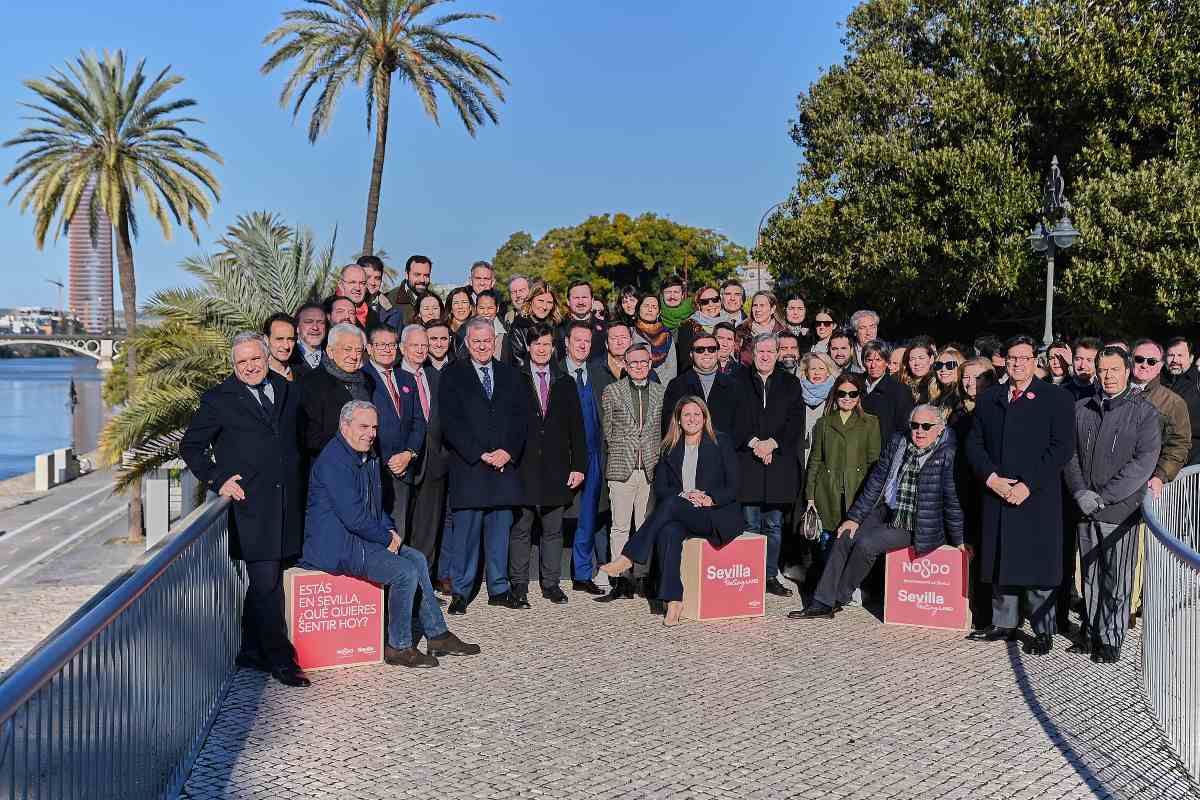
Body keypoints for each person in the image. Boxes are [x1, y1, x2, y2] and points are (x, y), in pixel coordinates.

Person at [301, 401, 479, 668]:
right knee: (403, 572)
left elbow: (376, 506)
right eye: (363, 426)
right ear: (344, 426)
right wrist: (386, 539)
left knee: (417, 559)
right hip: (338, 546)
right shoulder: (333, 461)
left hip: (361, 538)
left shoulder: (368, 454)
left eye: (374, 427)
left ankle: (437, 634)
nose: (370, 433)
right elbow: (353, 516)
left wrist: (389, 531)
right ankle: (399, 646)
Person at [180, 333, 309, 687]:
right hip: (250, 507)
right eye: (242, 362)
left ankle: (251, 649)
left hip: (287, 504)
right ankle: (281, 660)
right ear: (233, 365)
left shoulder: (286, 389)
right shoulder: (219, 399)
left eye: (255, 359)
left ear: (266, 357)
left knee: (267, 580)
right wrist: (217, 479)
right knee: (266, 583)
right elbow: (191, 446)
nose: (250, 367)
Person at [790, 404, 964, 619]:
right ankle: (821, 602)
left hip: (914, 522)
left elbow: (952, 499)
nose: (919, 431)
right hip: (886, 509)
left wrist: (959, 539)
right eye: (915, 425)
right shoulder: (899, 442)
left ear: (940, 428)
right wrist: (854, 518)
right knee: (845, 534)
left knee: (867, 545)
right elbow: (876, 482)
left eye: (926, 427)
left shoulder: (947, 453)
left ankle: (837, 598)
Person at [965, 334, 1075, 655]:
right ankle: (1004, 623)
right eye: (1012, 358)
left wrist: (1027, 485)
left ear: (1034, 361)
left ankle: (1042, 630)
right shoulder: (990, 398)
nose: (1018, 363)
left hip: (1036, 494)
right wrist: (991, 478)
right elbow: (974, 444)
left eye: (1024, 358)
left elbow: (1061, 448)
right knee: (1002, 561)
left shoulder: (1055, 398)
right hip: (998, 490)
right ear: (1005, 360)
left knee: (1038, 567)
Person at [599, 396, 743, 626]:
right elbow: (662, 488)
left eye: (697, 414)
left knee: (672, 505)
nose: (692, 419)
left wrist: (709, 498)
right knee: (669, 531)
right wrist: (684, 495)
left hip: (714, 514)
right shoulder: (669, 447)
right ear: (678, 419)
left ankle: (629, 556)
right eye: (686, 415)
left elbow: (734, 485)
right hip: (682, 512)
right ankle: (674, 600)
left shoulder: (720, 442)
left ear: (704, 417)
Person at [1063, 346, 1160, 663]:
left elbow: (1142, 464)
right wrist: (1079, 492)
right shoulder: (1081, 409)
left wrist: (1103, 497)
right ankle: (1090, 631)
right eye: (1102, 369)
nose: (1107, 376)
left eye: (1114, 369)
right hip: (1085, 507)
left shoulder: (1143, 413)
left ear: (1128, 370)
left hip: (1119, 510)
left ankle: (1111, 637)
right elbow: (1070, 456)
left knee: (1116, 578)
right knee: (1088, 574)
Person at [438, 317, 527, 614]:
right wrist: (479, 453)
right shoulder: (453, 375)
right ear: (466, 343)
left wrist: (508, 452)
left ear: (495, 341)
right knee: (466, 534)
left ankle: (499, 588)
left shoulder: (510, 374)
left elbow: (520, 419)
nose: (482, 346)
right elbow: (451, 423)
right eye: (476, 341)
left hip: (503, 467)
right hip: (470, 467)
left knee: (500, 530)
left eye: (487, 341)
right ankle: (461, 591)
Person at [509, 324, 587, 607]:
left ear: (554, 348)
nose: (541, 349)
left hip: (556, 469)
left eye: (546, 344)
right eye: (536, 344)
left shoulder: (565, 382)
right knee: (521, 528)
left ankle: (551, 583)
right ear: (528, 347)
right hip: (524, 467)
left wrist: (578, 465)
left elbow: (577, 429)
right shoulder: (515, 379)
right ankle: (518, 585)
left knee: (553, 530)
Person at [733, 333, 804, 597]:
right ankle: (750, 573)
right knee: (750, 523)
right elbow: (732, 419)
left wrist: (772, 444)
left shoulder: (790, 383)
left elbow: (795, 421)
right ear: (752, 353)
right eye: (760, 351)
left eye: (769, 352)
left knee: (773, 524)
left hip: (777, 463)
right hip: (748, 462)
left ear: (777, 354)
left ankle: (769, 574)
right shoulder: (737, 380)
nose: (764, 356)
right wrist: (755, 444)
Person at [600, 344, 666, 601]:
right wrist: (622, 449)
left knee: (645, 526)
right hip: (622, 467)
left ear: (650, 364)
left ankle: (643, 577)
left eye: (643, 362)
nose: (638, 366)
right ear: (625, 365)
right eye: (633, 363)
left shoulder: (661, 393)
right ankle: (621, 580)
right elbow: (608, 430)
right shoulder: (612, 391)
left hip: (650, 467)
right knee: (619, 527)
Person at [805, 373, 882, 553]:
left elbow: (875, 463)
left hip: (857, 492)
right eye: (842, 393)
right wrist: (810, 496)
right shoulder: (823, 423)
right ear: (835, 395)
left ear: (859, 396)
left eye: (852, 394)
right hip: (827, 492)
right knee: (826, 545)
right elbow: (815, 460)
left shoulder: (870, 422)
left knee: (852, 544)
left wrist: (872, 498)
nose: (847, 398)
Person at [560, 322, 610, 595]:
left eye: (587, 341)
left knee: (588, 516)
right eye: (577, 340)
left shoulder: (598, 374)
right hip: (563, 456)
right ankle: (548, 578)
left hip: (593, 455)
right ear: (566, 341)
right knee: (554, 517)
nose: (582, 345)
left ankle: (581, 574)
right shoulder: (555, 372)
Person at [363, 325, 426, 543]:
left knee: (400, 532)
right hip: (375, 468)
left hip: (403, 469)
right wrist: (387, 458)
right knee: (376, 533)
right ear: (369, 348)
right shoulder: (363, 378)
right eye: (381, 345)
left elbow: (419, 422)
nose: (387, 349)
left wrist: (408, 454)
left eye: (391, 344)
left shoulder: (407, 378)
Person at [950, 358, 996, 630]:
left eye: (976, 377)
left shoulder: (993, 409)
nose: (970, 383)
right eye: (965, 377)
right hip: (961, 486)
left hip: (987, 487)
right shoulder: (957, 410)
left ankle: (985, 614)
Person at [398, 324, 447, 568]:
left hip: (435, 461)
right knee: (402, 523)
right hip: (404, 462)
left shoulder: (435, 376)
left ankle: (424, 583)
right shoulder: (394, 376)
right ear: (402, 348)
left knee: (429, 526)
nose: (420, 350)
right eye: (415, 345)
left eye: (424, 345)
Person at [299, 323, 375, 457]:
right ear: (330, 351)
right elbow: (310, 437)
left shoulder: (366, 381)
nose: (354, 356)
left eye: (358, 350)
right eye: (347, 349)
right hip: (330, 462)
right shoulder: (311, 383)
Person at [664, 331, 739, 437]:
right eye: (700, 350)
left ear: (717, 353)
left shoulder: (733, 386)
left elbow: (739, 426)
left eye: (711, 349)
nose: (706, 353)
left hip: (722, 450)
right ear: (691, 354)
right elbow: (670, 424)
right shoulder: (677, 385)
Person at [861, 341, 914, 440]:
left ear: (886, 363)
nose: (873, 365)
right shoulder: (855, 385)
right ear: (864, 362)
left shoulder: (899, 390)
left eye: (878, 360)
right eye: (869, 360)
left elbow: (903, 429)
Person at [509, 280, 564, 368]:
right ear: (531, 300)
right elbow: (518, 362)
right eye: (540, 301)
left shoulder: (559, 326)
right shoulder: (519, 326)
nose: (544, 307)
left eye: (549, 302)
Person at [675, 286, 725, 373]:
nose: (711, 304)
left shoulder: (727, 323)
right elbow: (685, 363)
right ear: (698, 305)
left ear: (720, 301)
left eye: (715, 299)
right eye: (705, 302)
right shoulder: (688, 327)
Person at [556, 281, 608, 363]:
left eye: (584, 297)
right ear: (568, 301)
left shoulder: (605, 327)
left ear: (592, 300)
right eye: (576, 298)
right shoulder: (558, 328)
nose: (581, 302)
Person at [800, 352, 836, 465]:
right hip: (802, 453)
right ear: (806, 371)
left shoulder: (836, 395)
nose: (817, 373)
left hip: (825, 455)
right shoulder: (796, 393)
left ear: (828, 371)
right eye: (812, 369)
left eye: (821, 368)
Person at [633, 294, 678, 383]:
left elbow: (672, 367)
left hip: (662, 386)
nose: (650, 310)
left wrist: (662, 390)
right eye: (646, 306)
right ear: (639, 309)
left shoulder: (666, 335)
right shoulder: (630, 333)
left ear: (659, 312)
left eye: (654, 307)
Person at [734, 291, 786, 367]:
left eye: (762, 305)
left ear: (772, 309)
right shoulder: (742, 331)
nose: (757, 310)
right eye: (755, 305)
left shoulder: (783, 333)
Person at [462, 289, 512, 363]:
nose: (486, 312)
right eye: (481, 308)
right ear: (476, 308)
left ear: (497, 308)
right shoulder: (465, 330)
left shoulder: (508, 330)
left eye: (490, 308)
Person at [324, 264, 379, 330]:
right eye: (352, 282)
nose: (358, 288)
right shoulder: (327, 309)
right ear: (341, 285)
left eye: (362, 283)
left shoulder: (373, 316)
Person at [384, 255, 434, 324]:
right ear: (406, 275)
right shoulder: (390, 299)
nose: (422, 280)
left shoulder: (434, 300)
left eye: (426, 275)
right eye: (417, 275)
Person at [357, 255, 399, 328]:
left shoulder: (391, 310)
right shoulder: (345, 306)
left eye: (377, 278)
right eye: (368, 277)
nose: (373, 283)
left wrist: (389, 311)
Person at [262, 312, 300, 381]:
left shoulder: (302, 372)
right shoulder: (260, 377)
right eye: (279, 339)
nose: (286, 346)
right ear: (266, 339)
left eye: (290, 339)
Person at [293, 302, 327, 371]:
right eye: (308, 322)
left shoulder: (333, 355)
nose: (315, 327)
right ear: (297, 327)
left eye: (320, 322)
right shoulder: (289, 357)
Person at [902, 336, 937, 402]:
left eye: (921, 358)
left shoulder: (937, 385)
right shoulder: (903, 385)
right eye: (912, 359)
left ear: (931, 359)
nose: (916, 363)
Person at [1066, 337, 1101, 402]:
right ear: (1072, 360)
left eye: (1089, 360)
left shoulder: (1104, 393)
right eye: (1078, 359)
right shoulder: (1061, 391)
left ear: (1098, 363)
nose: (1082, 366)